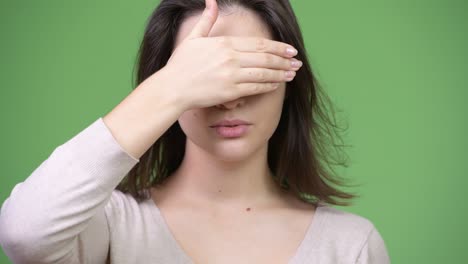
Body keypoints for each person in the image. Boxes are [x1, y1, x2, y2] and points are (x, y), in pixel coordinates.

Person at [0, 0, 391, 263]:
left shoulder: (350, 245)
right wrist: (170, 87)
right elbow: (23, 235)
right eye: (207, 76)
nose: (229, 100)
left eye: (247, 72)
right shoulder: (110, 226)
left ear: (289, 81)